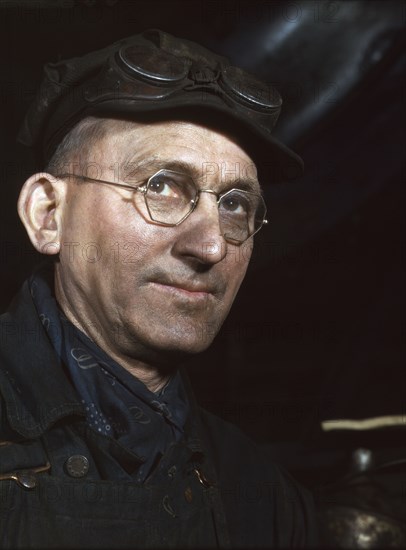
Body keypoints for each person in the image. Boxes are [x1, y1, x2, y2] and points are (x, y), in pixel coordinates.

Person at [0, 29, 317, 548]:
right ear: (49, 214)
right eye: (163, 186)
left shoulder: (265, 495)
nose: (212, 246)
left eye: (235, 203)